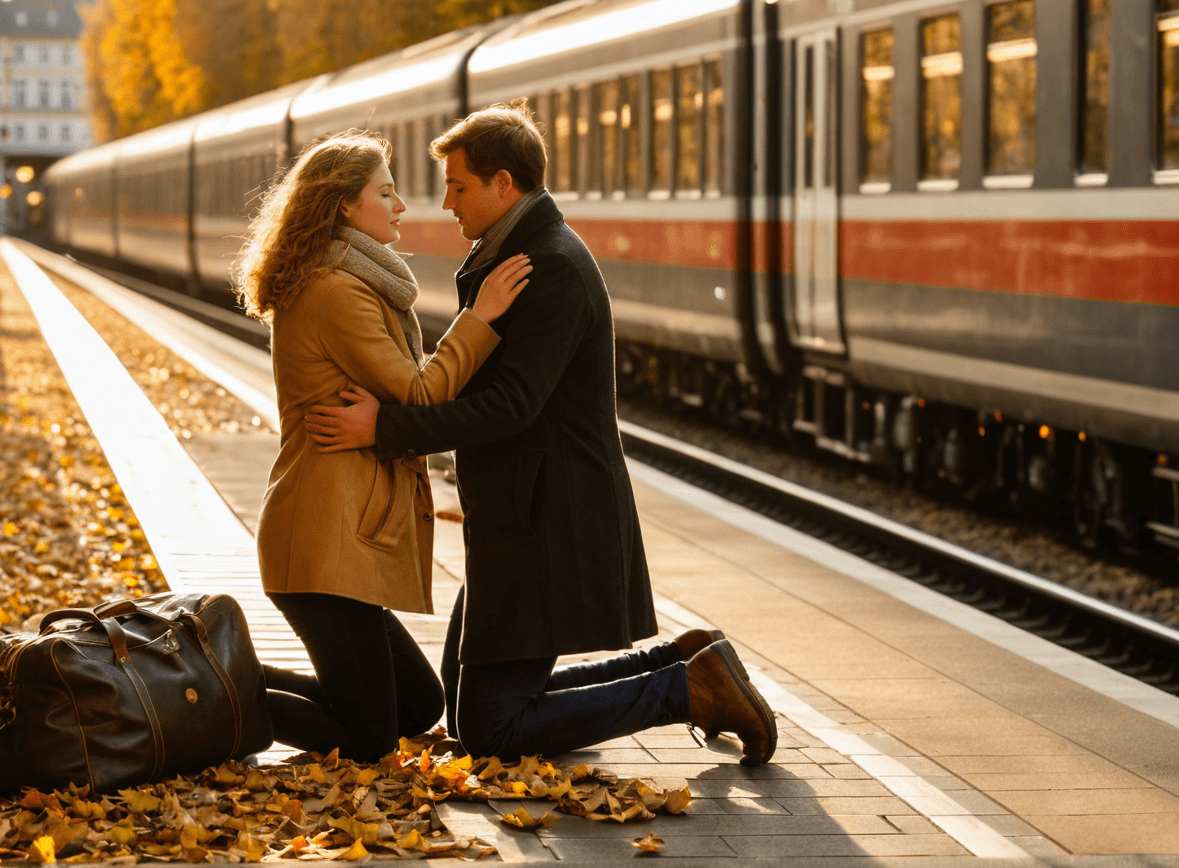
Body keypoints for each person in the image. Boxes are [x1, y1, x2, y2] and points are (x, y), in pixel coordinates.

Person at [305, 105, 778, 765]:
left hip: (546, 520)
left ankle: (684, 690)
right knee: (474, 710)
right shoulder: (514, 254)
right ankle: (683, 663)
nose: (445, 203)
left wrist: (387, 427)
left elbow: (511, 406)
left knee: (492, 730)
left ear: (504, 185)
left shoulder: (546, 265)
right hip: (516, 516)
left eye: (459, 186)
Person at [231, 133, 532, 762]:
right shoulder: (335, 290)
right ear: (345, 205)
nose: (401, 206)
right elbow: (421, 395)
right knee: (369, 740)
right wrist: (481, 317)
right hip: (321, 544)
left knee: (417, 708)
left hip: (337, 538)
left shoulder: (350, 278)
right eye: (386, 192)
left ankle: (227, 683)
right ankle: (204, 698)